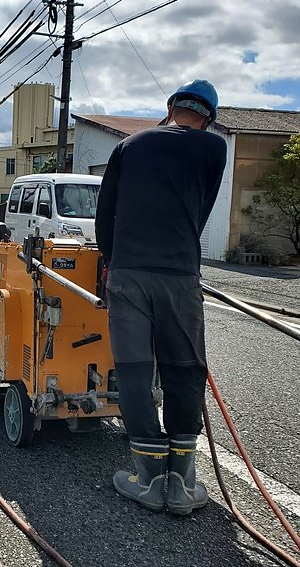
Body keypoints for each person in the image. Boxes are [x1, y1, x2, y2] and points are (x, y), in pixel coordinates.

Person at [95, 79, 227, 515]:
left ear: (170, 106)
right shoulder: (214, 150)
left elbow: (105, 212)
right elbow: (200, 211)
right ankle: (181, 482)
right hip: (180, 275)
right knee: (185, 368)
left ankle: (147, 476)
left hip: (128, 272)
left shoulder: (129, 146)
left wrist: (111, 262)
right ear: (208, 118)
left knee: (134, 370)